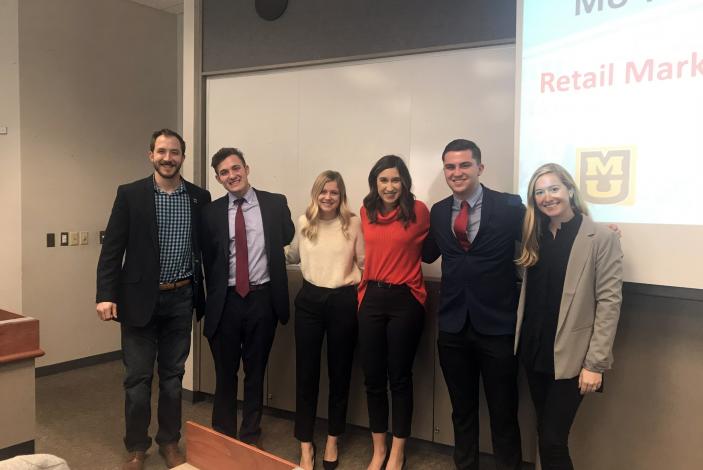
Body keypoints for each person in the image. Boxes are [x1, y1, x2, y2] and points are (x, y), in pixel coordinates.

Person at [96, 129, 211, 470]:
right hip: (138, 302)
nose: (168, 158)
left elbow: (207, 248)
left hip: (181, 297)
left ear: (183, 158)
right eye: (161, 151)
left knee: (173, 377)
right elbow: (112, 249)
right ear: (150, 155)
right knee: (137, 379)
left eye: (174, 152)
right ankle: (136, 447)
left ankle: (169, 442)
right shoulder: (131, 194)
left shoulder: (198, 197)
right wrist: (105, 294)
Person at [422, 139, 524, 470]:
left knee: (503, 412)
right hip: (453, 327)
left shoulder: (510, 207)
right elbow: (425, 253)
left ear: (480, 168)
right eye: (450, 167)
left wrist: (595, 231)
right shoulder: (438, 211)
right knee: (461, 410)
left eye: (464, 165)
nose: (457, 172)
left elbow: (547, 237)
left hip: (497, 327)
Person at [514, 163, 623, 470]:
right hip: (534, 351)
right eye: (539, 192)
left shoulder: (600, 237)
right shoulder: (533, 235)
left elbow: (609, 303)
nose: (547, 197)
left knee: (552, 439)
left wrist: (595, 364)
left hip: (573, 359)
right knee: (542, 433)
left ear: (570, 190)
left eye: (554, 188)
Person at [200, 147, 294, 447]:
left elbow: (287, 237)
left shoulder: (275, 204)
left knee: (256, 372)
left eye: (235, 168)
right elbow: (208, 255)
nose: (232, 175)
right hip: (225, 302)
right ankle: (224, 435)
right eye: (224, 172)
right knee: (225, 373)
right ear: (218, 178)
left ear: (247, 168)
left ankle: (251, 435)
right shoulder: (211, 212)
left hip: (261, 299)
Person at [285, 170, 364, 470]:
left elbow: (365, 262)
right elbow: (292, 255)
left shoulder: (354, 223)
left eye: (334, 192)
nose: (328, 197)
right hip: (309, 301)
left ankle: (333, 438)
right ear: (315, 194)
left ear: (341, 195)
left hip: (344, 301)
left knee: (339, 373)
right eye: (323, 191)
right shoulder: (304, 222)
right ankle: (306, 443)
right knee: (306, 374)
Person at [358, 155, 429, 470]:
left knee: (399, 378)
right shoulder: (365, 212)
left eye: (395, 180)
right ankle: (379, 450)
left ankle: (398, 452)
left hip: (406, 300)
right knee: (373, 378)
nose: (389, 186)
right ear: (375, 182)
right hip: (371, 298)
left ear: (405, 182)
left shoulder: (419, 212)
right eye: (383, 180)